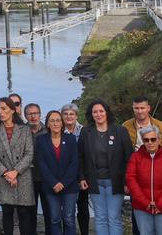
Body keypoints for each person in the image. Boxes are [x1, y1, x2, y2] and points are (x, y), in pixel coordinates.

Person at [78, 99, 131, 235]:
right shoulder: (86, 132)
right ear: (91, 114)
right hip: (95, 182)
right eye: (95, 112)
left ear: (106, 112)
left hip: (116, 182)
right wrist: (82, 177)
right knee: (100, 218)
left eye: (101, 111)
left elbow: (129, 158)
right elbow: (80, 157)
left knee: (114, 218)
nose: (98, 114)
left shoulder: (120, 131)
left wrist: (127, 181)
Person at [0, 96, 36, 235]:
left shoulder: (25, 129)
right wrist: (5, 173)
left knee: (24, 213)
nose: (0, 112)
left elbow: (29, 153)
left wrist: (15, 172)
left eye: (3, 109)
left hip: (22, 176)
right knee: (7, 213)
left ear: (12, 110)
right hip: (4, 177)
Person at [126, 125, 162, 235]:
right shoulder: (135, 157)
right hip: (142, 207)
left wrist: (160, 204)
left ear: (159, 140)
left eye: (153, 139)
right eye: (146, 140)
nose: (150, 142)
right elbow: (131, 180)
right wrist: (146, 202)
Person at [36, 110, 78, 235]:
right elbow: (41, 164)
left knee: (69, 218)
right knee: (54, 219)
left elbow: (74, 163)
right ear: (47, 124)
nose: (55, 123)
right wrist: (54, 183)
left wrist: (63, 183)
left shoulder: (70, 139)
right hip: (50, 186)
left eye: (58, 120)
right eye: (52, 121)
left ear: (62, 123)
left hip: (69, 186)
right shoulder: (41, 140)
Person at [61, 104, 88, 235]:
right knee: (67, 209)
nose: (69, 117)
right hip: (65, 175)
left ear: (76, 116)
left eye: (71, 114)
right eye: (65, 114)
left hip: (82, 174)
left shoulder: (85, 131)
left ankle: (84, 232)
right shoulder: (58, 131)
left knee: (83, 208)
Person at [24, 103, 46, 231]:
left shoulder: (47, 130)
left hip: (45, 178)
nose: (33, 116)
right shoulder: (22, 131)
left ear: (40, 114)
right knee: (29, 213)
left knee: (49, 212)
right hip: (28, 178)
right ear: (25, 116)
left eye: (35, 113)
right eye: (30, 114)